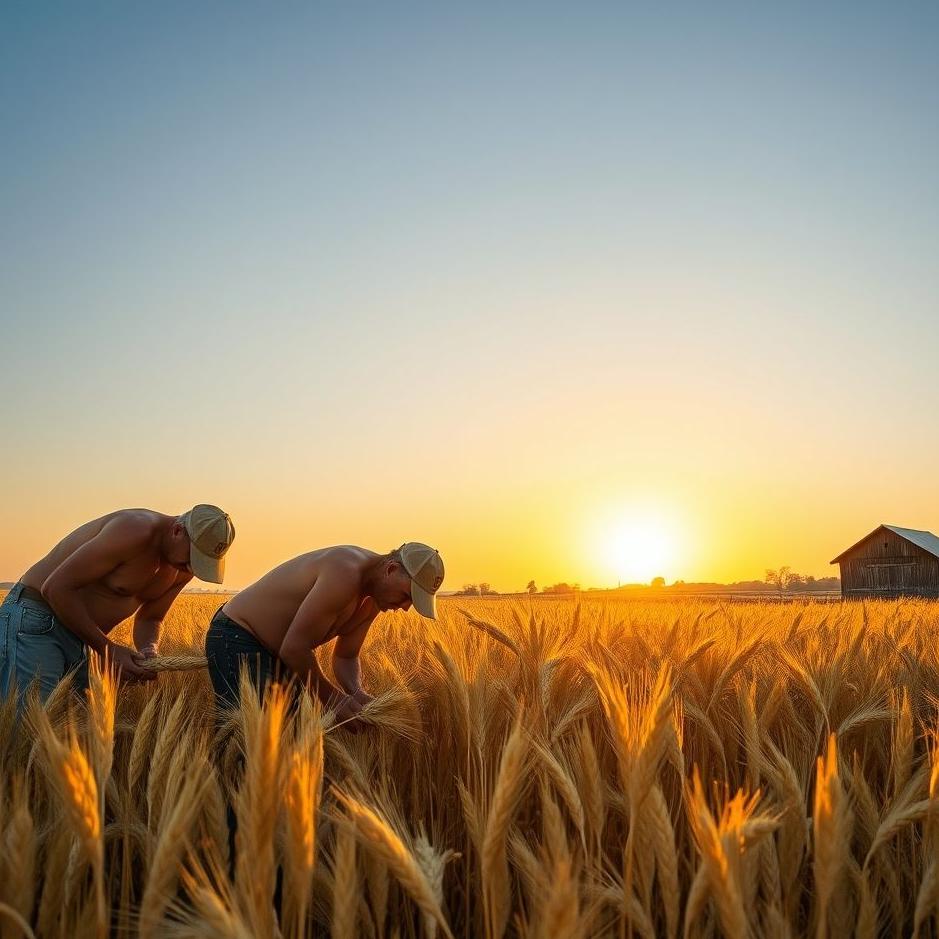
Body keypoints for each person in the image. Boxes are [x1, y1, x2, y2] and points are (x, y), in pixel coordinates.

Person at [0, 504, 236, 710]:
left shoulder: (182, 567)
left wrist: (148, 649)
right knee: (31, 726)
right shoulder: (135, 530)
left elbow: (151, 618)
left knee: (76, 735)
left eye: (202, 563)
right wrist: (108, 650)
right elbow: (55, 588)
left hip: (86, 638)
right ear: (177, 531)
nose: (193, 568)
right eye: (193, 557)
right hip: (36, 620)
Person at [205, 542, 445, 721]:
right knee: (249, 739)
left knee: (290, 738)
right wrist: (333, 699)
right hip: (236, 635)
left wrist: (356, 693)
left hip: (278, 654)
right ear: (391, 569)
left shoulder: (374, 600)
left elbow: (346, 656)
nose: (405, 607)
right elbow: (294, 649)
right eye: (406, 595)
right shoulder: (345, 572)